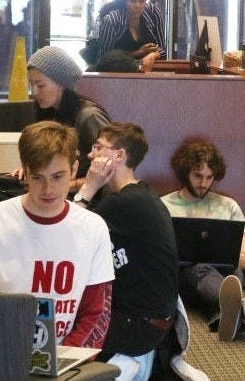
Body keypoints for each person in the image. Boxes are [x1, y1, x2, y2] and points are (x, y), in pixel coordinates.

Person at [0, 121, 114, 349]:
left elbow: (96, 315)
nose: (47, 189)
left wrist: (62, 361)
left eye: (57, 177)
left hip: (64, 357)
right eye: (37, 177)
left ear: (74, 169)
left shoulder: (93, 228)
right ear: (24, 171)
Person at [71, 123, 178, 379]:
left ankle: (121, 367)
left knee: (58, 324)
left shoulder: (128, 203)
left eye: (97, 148)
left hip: (138, 327)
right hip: (143, 317)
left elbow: (67, 235)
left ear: (118, 156)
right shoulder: (134, 196)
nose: (90, 154)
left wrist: (88, 188)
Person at [161, 137, 245, 342]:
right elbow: (159, 258)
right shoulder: (165, 206)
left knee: (233, 272)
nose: (203, 184)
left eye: (209, 177)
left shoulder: (228, 206)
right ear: (185, 172)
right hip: (188, 276)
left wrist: (219, 249)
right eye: (198, 176)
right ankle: (241, 306)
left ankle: (227, 315)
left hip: (227, 274)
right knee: (202, 268)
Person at [25, 45, 111, 180]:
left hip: (87, 196)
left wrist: (72, 185)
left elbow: (110, 171)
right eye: (31, 85)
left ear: (62, 84)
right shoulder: (50, 113)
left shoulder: (89, 116)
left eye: (40, 85)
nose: (34, 92)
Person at [93, 0, 167, 66]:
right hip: (117, 73)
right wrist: (139, 53)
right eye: (133, 1)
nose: (138, 6)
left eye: (142, 1)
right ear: (124, 1)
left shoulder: (152, 12)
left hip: (150, 71)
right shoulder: (112, 20)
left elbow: (163, 51)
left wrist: (153, 55)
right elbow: (104, 59)